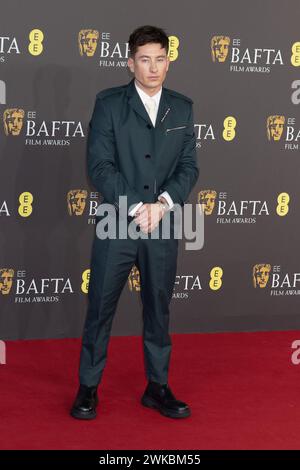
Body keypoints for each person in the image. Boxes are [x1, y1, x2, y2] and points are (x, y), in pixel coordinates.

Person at [70, 24, 199, 420]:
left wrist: (161, 204)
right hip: (117, 222)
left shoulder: (183, 106)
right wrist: (135, 207)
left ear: (168, 61)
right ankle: (88, 388)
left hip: (162, 222)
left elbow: (189, 167)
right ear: (131, 62)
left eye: (161, 59)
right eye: (145, 59)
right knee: (101, 307)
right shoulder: (109, 103)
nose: (154, 67)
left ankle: (157, 387)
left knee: (158, 308)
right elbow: (100, 166)